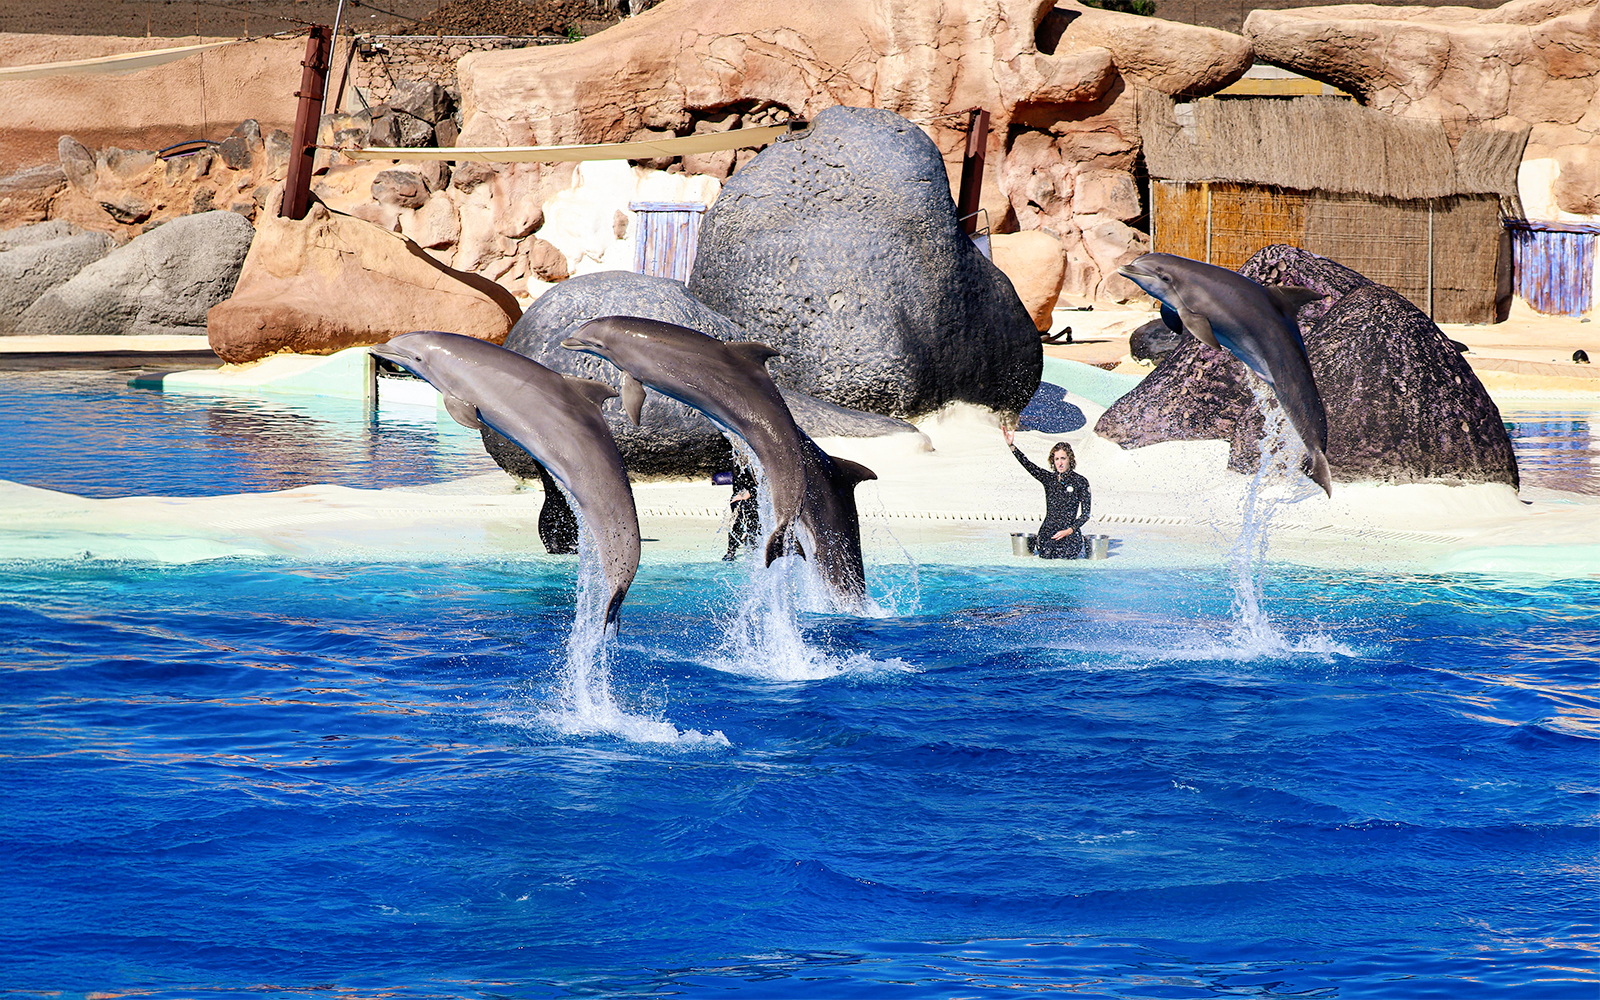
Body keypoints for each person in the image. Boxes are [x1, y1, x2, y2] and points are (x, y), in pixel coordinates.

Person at [1003, 426, 1091, 559]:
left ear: (1070, 460)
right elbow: (1029, 465)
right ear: (1053, 461)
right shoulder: (1048, 479)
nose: (1060, 463)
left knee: (1068, 557)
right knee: (1046, 555)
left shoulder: (1081, 481)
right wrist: (1012, 446)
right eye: (1056, 459)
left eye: (1063, 458)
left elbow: (1086, 514)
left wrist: (1069, 530)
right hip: (1048, 533)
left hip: (1070, 534)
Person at [723, 462, 761, 561]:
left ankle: (752, 547)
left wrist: (750, 492)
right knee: (738, 521)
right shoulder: (739, 457)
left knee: (754, 524)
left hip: (752, 493)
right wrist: (743, 493)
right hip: (741, 494)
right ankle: (731, 551)